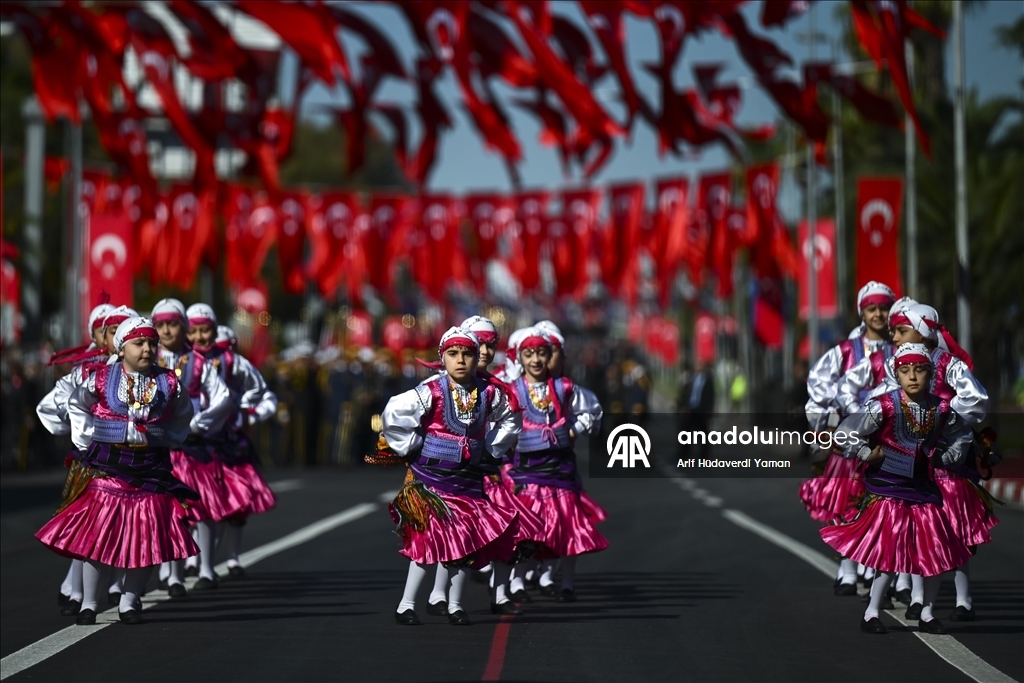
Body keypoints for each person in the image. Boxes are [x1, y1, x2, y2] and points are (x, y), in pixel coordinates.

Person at [35, 317, 200, 625]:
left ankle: (130, 599)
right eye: (139, 344)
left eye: (152, 343)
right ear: (122, 349)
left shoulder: (169, 382)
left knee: (146, 539)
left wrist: (169, 438)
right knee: (96, 540)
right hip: (107, 468)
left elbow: (183, 414)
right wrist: (85, 440)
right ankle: (89, 602)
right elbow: (77, 404)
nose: (148, 349)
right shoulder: (100, 378)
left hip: (150, 470)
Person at [820, 344, 974, 634]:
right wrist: (866, 454)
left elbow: (963, 434)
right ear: (896, 374)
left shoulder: (940, 409)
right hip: (889, 488)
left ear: (930, 374)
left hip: (923, 488)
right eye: (905, 371)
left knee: (935, 552)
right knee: (890, 555)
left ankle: (927, 613)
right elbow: (845, 431)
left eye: (920, 370)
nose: (913, 376)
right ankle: (871, 612)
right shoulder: (884, 405)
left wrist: (947, 457)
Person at [377, 326, 522, 626]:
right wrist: (413, 446)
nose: (461, 360)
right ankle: (406, 603)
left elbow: (511, 416)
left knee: (465, 544)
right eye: (453, 354)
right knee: (425, 541)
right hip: (433, 480)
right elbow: (394, 414)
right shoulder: (432, 391)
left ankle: (454, 604)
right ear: (442, 358)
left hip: (467, 481)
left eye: (467, 354)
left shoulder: (489, 393)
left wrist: (493, 449)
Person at [505, 327, 607, 603]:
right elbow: (498, 422)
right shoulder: (513, 390)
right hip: (528, 469)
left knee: (567, 526)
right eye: (529, 354)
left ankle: (566, 582)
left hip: (561, 468)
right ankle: (517, 581)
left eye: (541, 353)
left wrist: (573, 431)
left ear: (549, 356)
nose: (536, 360)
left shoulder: (564, 387)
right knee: (527, 527)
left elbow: (592, 410)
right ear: (520, 359)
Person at [152, 299, 243, 595]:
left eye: (173, 324)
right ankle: (174, 572)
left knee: (200, 506)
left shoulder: (198, 363)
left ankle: (206, 567)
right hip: (160, 446)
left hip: (194, 446)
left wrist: (198, 424)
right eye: (161, 325)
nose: (166, 331)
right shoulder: (146, 357)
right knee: (168, 510)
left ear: (185, 327)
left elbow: (222, 398)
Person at [37, 302, 117, 615]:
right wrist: (76, 434)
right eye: (105, 330)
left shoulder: (138, 370)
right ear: (95, 334)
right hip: (91, 462)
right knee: (86, 526)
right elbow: (53, 405)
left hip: (126, 460)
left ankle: (112, 588)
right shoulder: (85, 371)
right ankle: (75, 591)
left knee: (118, 525)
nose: (110, 336)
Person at [200, 325, 279, 577]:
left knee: (236, 507)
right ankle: (199, 560)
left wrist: (248, 415)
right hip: (207, 447)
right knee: (200, 506)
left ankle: (232, 557)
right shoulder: (195, 372)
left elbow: (266, 399)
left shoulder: (239, 372)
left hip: (234, 448)